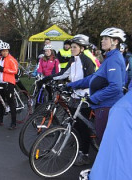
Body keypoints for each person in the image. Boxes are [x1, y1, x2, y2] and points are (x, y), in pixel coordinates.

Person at [42, 36, 96, 166]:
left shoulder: (87, 61)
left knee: (83, 128)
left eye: (74, 47)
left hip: (84, 98)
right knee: (75, 123)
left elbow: (90, 81)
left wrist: (71, 86)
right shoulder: (73, 60)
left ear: (82, 49)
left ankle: (85, 154)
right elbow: (64, 73)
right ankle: (77, 144)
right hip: (74, 96)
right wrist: (48, 78)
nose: (72, 49)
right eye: (71, 47)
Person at [67, 27, 126, 143]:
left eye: (106, 39)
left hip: (107, 105)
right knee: (101, 137)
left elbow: (116, 87)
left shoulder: (114, 59)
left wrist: (94, 98)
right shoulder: (109, 58)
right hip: (102, 105)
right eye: (102, 39)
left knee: (104, 141)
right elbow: (93, 78)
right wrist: (72, 85)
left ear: (115, 41)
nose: (102, 41)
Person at [0, 42, 18, 129]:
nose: (4, 53)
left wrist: (4, 69)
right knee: (1, 102)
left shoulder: (11, 59)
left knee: (11, 102)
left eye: (6, 51)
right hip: (0, 82)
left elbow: (15, 70)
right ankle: (0, 120)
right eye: (3, 51)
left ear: (8, 51)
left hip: (8, 83)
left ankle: (13, 123)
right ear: (1, 52)